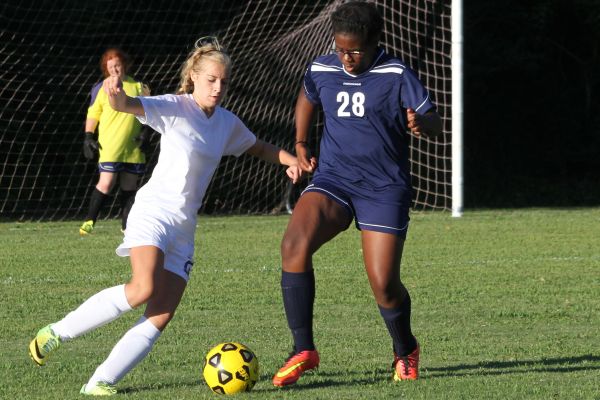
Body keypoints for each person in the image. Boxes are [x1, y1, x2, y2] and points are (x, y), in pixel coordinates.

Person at [29, 37, 301, 396]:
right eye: (211, 80)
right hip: (153, 213)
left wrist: (291, 161)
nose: (218, 88)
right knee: (142, 288)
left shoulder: (226, 123)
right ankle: (55, 334)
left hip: (185, 227)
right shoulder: (174, 107)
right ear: (193, 77)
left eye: (223, 81)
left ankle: (100, 382)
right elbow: (128, 104)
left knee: (160, 314)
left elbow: (259, 147)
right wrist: (114, 94)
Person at [272, 1, 442, 387]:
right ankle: (303, 349)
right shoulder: (322, 67)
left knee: (383, 284)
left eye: (356, 51)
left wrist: (422, 124)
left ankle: (405, 349)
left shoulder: (395, 73)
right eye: (341, 49)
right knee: (293, 245)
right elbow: (308, 94)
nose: (347, 58)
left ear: (375, 41)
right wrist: (300, 140)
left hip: (383, 188)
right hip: (334, 179)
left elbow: (433, 121)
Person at [80, 48, 151, 236]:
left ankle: (127, 227)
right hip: (111, 145)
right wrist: (88, 136)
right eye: (110, 66)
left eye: (117, 65)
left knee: (129, 186)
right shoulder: (101, 88)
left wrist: (146, 133)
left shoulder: (138, 86)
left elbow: (149, 111)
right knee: (106, 182)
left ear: (124, 65)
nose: (114, 69)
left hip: (133, 147)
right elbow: (93, 113)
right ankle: (89, 222)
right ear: (106, 69)